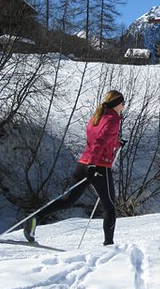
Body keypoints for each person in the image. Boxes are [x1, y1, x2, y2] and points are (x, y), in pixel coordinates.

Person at [24, 90, 125, 246]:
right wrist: (93, 164)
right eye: (122, 103)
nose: (124, 107)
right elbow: (99, 142)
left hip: (83, 164)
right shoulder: (113, 120)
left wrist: (117, 144)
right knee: (109, 206)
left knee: (67, 200)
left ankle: (34, 217)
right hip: (99, 166)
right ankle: (108, 245)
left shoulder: (96, 117)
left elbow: (98, 140)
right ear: (116, 104)